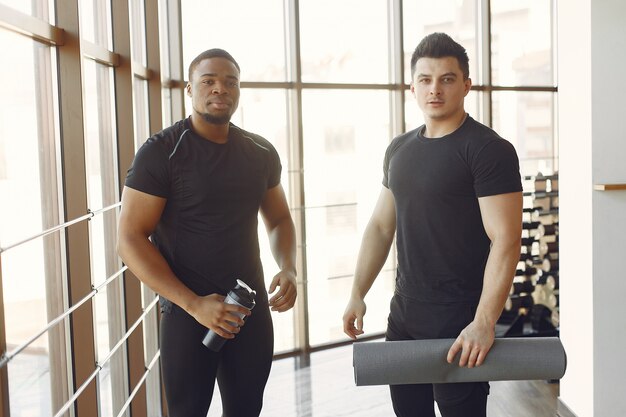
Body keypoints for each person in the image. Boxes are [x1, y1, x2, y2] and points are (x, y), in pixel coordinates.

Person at [342, 33, 523, 417]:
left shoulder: (489, 150)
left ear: (466, 85)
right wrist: (358, 292)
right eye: (425, 79)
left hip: (460, 320)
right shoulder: (399, 149)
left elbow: (505, 240)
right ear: (412, 87)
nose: (434, 89)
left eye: (447, 78)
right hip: (405, 314)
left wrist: (483, 322)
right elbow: (379, 226)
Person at [117, 48, 297, 417]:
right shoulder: (160, 152)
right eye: (209, 81)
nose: (220, 89)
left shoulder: (260, 151)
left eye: (230, 82)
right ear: (189, 89)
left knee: (247, 409)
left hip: (248, 310)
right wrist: (195, 304)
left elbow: (278, 219)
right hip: (188, 313)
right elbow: (129, 239)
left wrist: (289, 266)